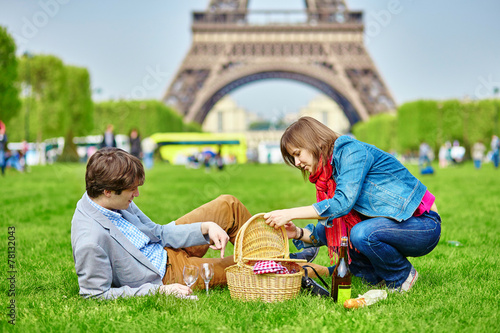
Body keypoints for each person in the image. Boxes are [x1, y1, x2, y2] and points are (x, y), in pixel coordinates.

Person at [71, 147, 329, 300]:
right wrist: (161, 292)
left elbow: (157, 232)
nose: (136, 195)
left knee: (228, 204)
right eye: (131, 190)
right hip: (165, 275)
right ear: (107, 190)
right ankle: (304, 265)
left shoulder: (116, 200)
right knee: (244, 267)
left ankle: (275, 254)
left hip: (164, 246)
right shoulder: (90, 240)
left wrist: (204, 228)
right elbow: (95, 294)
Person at [263, 117, 441, 292]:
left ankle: (402, 276)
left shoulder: (351, 151)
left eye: (297, 154)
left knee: (360, 233)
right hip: (396, 226)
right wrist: (297, 233)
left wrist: (289, 213)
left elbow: (342, 204)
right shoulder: (328, 175)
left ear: (312, 142)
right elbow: (330, 225)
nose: (297, 163)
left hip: (423, 224)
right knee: (342, 232)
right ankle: (375, 277)